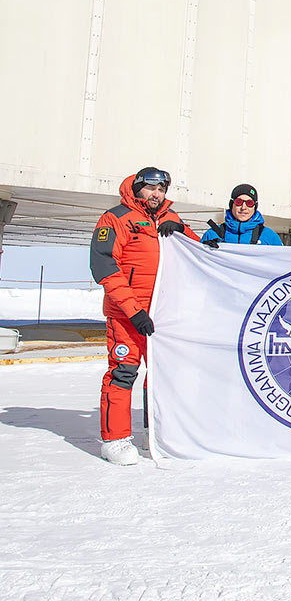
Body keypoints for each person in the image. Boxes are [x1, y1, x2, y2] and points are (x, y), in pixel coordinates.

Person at [89, 167, 200, 465]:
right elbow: (104, 267)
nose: (157, 194)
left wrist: (182, 232)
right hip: (127, 316)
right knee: (123, 372)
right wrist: (133, 310)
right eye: (151, 188)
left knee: (164, 374)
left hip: (163, 314)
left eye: (162, 189)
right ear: (138, 188)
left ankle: (157, 432)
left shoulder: (170, 217)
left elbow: (197, 252)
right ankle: (115, 439)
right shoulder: (115, 218)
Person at [199, 183, 283, 248]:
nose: (243, 207)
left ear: (255, 207)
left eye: (249, 203)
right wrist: (205, 250)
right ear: (232, 205)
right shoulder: (212, 234)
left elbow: (282, 263)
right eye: (238, 202)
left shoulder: (269, 236)